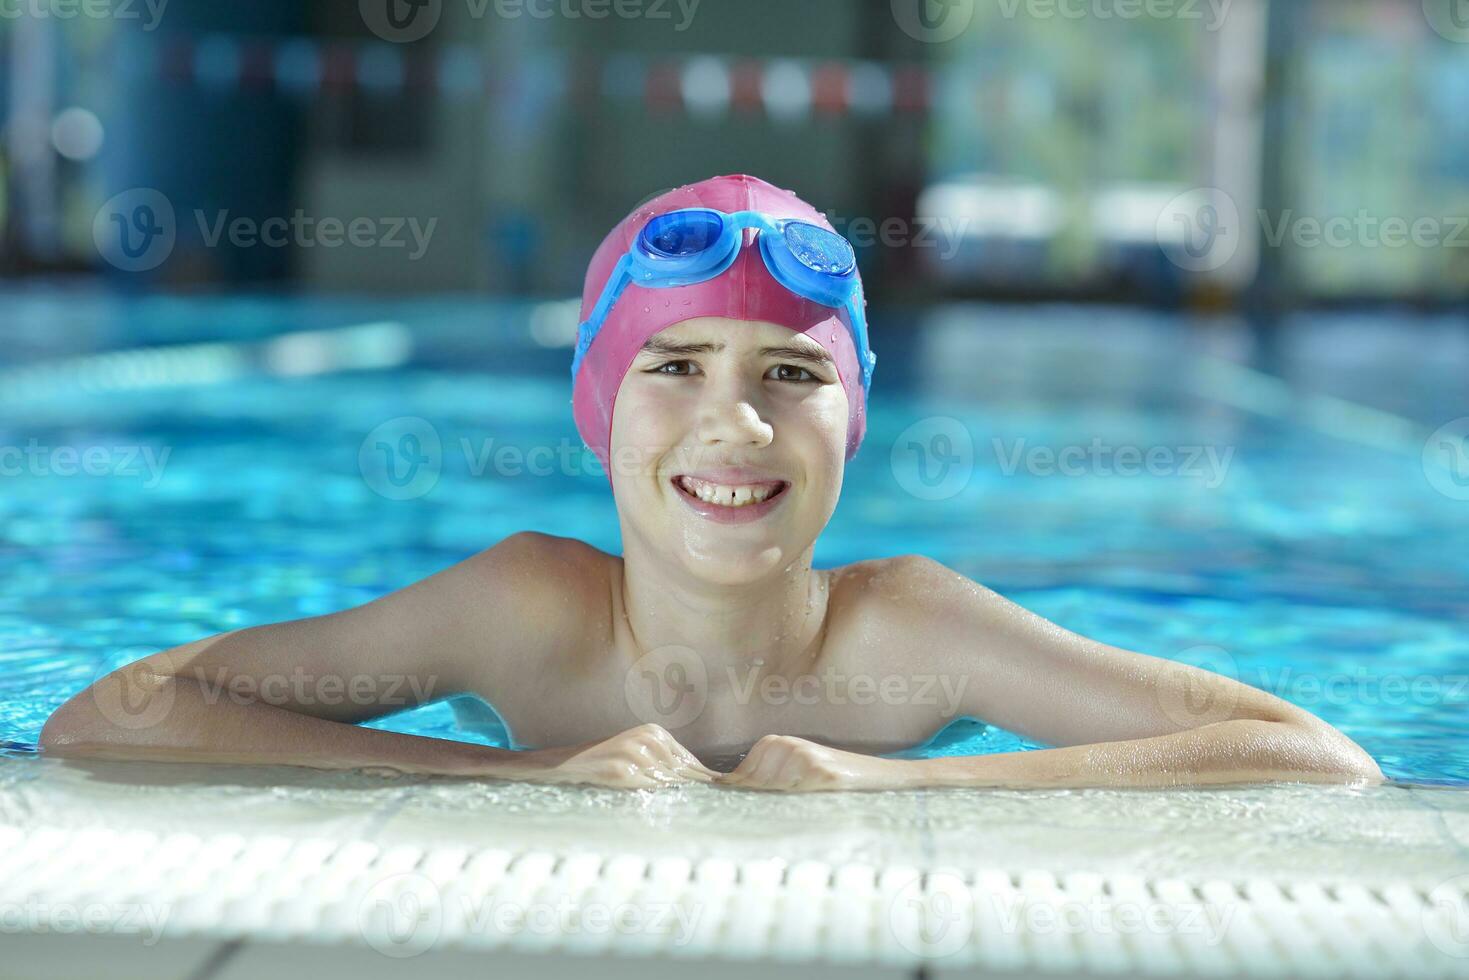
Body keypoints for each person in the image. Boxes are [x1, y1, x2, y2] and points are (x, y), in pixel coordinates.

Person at [41, 175, 1382, 792]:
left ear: (852, 423)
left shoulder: (906, 637)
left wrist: (897, 790)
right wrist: (535, 781)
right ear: (597, 411)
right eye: (673, 365)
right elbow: (115, 715)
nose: (732, 425)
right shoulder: (527, 613)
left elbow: (1310, 760)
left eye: (793, 377)